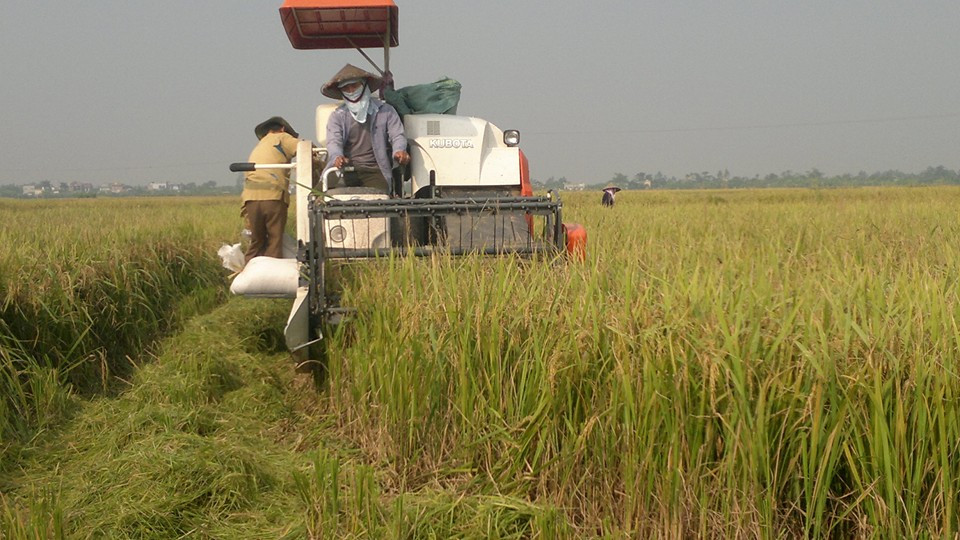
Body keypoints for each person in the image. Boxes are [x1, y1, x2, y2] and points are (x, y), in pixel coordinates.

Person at [321, 64, 410, 193]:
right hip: (344, 169)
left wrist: (399, 151)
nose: (351, 91)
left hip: (374, 169)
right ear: (342, 92)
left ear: (364, 86)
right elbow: (334, 141)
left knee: (380, 199)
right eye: (346, 88)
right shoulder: (337, 116)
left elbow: (397, 136)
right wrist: (337, 157)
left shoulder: (385, 111)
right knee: (316, 198)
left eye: (355, 86)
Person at [240, 116, 301, 263]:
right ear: (282, 128)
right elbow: (305, 148)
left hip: (250, 198)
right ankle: (271, 274)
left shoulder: (260, 145)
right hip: (273, 195)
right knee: (274, 239)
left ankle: (249, 270)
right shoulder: (282, 137)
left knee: (257, 240)